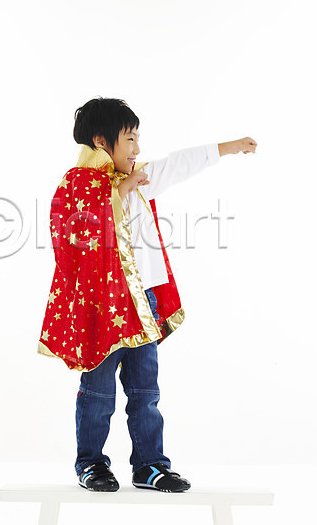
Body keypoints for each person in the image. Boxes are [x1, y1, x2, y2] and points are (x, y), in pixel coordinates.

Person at [38, 97, 257, 493]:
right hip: (105, 308)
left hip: (144, 305)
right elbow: (72, 230)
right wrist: (119, 189)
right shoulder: (78, 184)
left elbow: (178, 163)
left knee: (145, 391)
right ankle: (91, 464)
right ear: (101, 141)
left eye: (138, 139)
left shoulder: (139, 177)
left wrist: (229, 147)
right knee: (98, 392)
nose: (137, 148)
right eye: (130, 139)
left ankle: (150, 465)